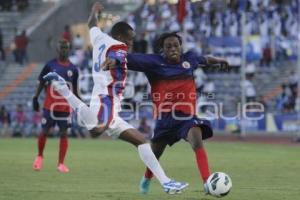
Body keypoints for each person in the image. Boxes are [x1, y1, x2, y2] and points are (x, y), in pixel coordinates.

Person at [42, 2, 188, 194]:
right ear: (120, 37)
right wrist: (113, 61)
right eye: (130, 40)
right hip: (107, 99)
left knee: (142, 142)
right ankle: (63, 89)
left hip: (105, 100)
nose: (130, 44)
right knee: (96, 130)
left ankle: (166, 183)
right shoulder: (119, 46)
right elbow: (118, 55)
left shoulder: (99, 37)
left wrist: (94, 10)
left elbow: (92, 24)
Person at [104, 32, 229, 195]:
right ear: (162, 49)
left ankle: (207, 183)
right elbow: (130, 58)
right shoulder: (154, 63)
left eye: (176, 45)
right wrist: (115, 60)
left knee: (197, 141)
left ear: (180, 46)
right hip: (165, 120)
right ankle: (146, 179)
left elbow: (205, 59)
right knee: (155, 154)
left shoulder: (189, 59)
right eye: (168, 46)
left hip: (187, 118)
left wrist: (219, 61)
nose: (173, 49)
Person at [32, 39, 79, 173]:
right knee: (44, 131)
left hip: (65, 108)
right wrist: (35, 98)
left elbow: (75, 90)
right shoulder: (50, 65)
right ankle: (39, 157)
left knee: (64, 134)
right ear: (57, 49)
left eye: (66, 48)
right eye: (62, 48)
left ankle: (61, 164)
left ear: (69, 49)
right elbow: (41, 82)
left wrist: (81, 106)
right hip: (50, 106)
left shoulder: (73, 69)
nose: (64, 50)